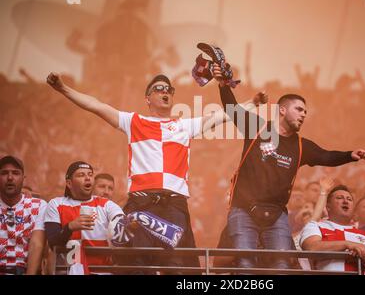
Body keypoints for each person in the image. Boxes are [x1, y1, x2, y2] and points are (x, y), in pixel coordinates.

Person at [46, 70, 263, 272]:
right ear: (147, 98)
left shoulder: (184, 126)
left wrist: (252, 103)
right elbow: (96, 105)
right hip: (142, 204)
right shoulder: (133, 122)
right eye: (159, 88)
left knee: (178, 266)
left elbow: (222, 115)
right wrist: (63, 88)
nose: (165, 91)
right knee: (137, 265)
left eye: (169, 89)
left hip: (174, 206)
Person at [218, 77, 365, 271]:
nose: (304, 114)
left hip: (277, 214)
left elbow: (327, 156)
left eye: (306, 111)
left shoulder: (301, 146)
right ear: (282, 110)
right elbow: (232, 109)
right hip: (243, 209)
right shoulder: (258, 128)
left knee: (282, 266)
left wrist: (350, 155)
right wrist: (222, 85)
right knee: (245, 263)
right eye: (299, 109)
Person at [44, 161, 124, 274]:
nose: (87, 178)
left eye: (90, 174)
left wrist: (124, 226)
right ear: (69, 183)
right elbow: (53, 242)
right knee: (74, 245)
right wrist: (70, 227)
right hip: (69, 271)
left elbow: (120, 220)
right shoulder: (56, 204)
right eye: (81, 175)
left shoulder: (107, 204)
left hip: (102, 272)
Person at [300, 185, 365, 274]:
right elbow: (311, 247)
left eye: (349, 199)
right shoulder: (315, 226)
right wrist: (348, 244)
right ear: (328, 206)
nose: (345, 201)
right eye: (340, 198)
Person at [0, 155, 47, 275]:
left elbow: (37, 244)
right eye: (4, 173)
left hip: (24, 270)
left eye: (15, 173)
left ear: (23, 178)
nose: (10, 178)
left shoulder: (38, 205)